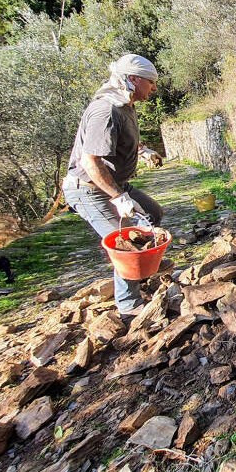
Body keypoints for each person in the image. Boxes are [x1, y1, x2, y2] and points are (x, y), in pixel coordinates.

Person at [62, 54, 164, 317]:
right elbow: (91, 161)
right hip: (89, 188)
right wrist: (119, 197)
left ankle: (141, 270)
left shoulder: (124, 106)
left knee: (152, 214)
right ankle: (130, 307)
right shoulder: (105, 111)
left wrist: (143, 151)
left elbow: (120, 142)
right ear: (132, 79)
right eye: (150, 82)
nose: (153, 87)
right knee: (124, 244)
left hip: (113, 183)